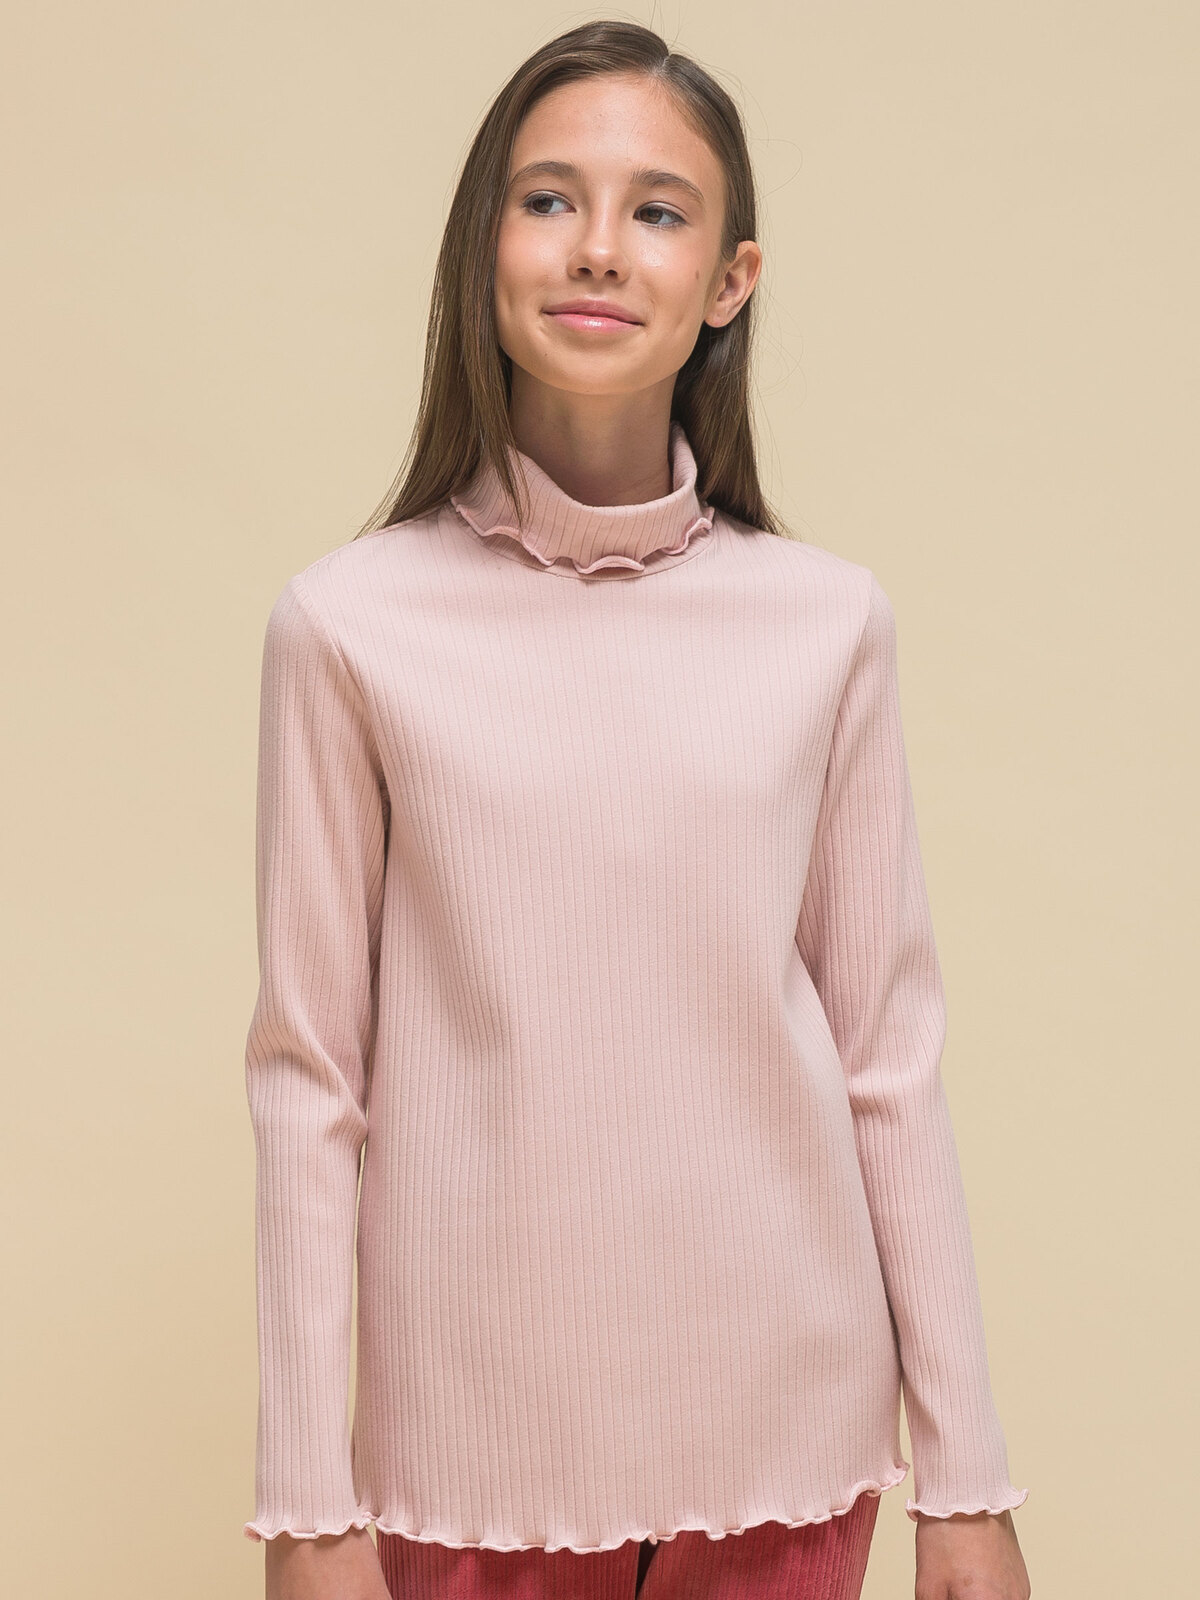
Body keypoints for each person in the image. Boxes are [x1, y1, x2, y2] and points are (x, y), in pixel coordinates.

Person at [241, 20, 1031, 1600]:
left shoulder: (826, 622)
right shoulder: (348, 626)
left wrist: (967, 1480)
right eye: (549, 199)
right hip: (473, 1470)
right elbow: (309, 1079)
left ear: (731, 280)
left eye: (658, 211)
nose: (599, 246)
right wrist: (305, 1505)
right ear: (484, 245)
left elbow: (886, 1054)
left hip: (790, 1445)